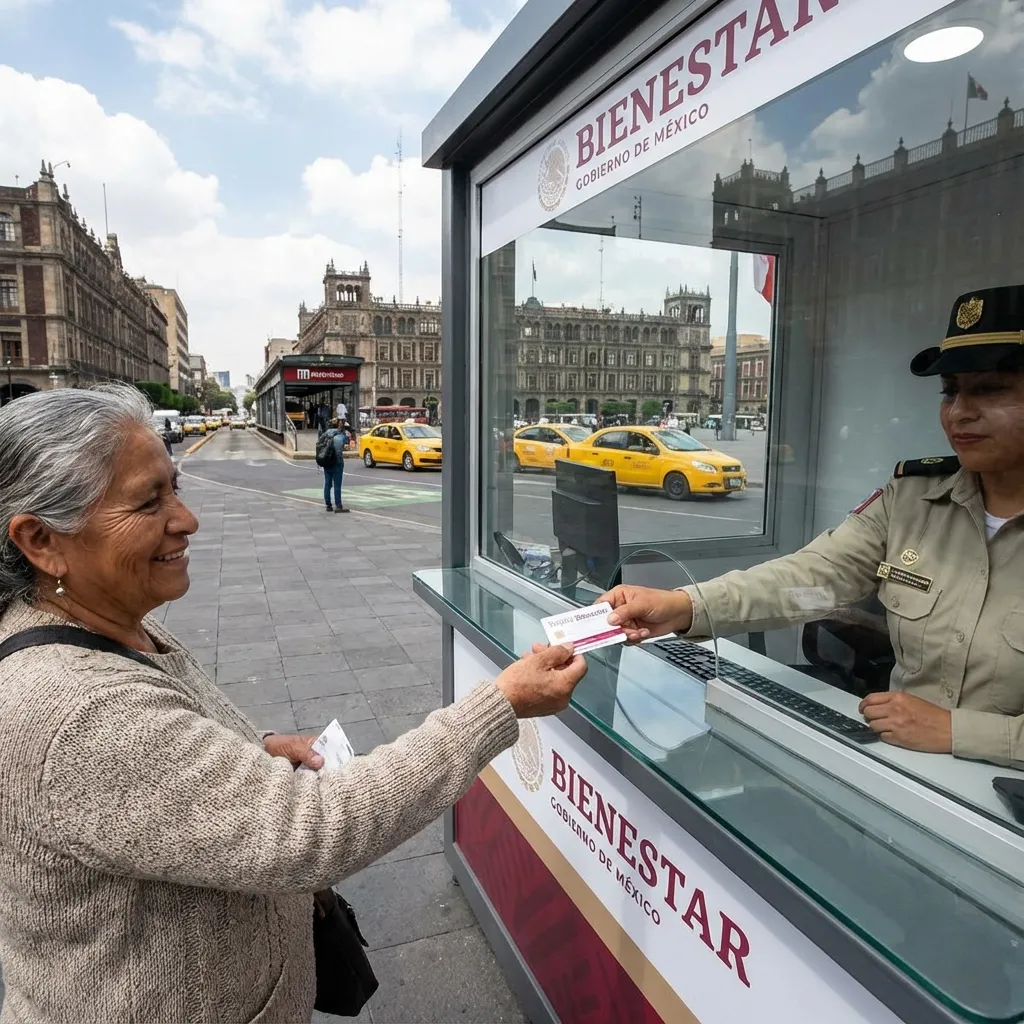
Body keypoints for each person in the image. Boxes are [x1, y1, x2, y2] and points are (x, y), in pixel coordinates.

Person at [0, 384, 588, 1024]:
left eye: (176, 486)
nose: (186, 519)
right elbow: (309, 827)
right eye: (149, 502)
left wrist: (253, 752)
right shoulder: (79, 715)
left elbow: (150, 776)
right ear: (40, 540)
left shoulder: (108, 626)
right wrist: (498, 704)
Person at [600, 285, 1024, 768]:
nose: (959, 411)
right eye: (950, 391)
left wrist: (958, 731)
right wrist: (681, 606)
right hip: (905, 783)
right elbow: (811, 578)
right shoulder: (915, 498)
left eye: (991, 390)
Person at [321, 417, 349, 513]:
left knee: (327, 483)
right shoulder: (341, 435)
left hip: (327, 460)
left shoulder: (327, 433)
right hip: (337, 462)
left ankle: (328, 505)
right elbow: (346, 443)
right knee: (337, 484)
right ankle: (338, 504)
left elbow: (319, 442)